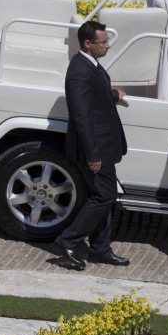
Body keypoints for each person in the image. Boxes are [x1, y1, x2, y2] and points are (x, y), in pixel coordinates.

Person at [51, 22, 130, 271]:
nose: (107, 46)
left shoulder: (90, 65)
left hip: (104, 145)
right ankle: (67, 242)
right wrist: (92, 153)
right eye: (103, 42)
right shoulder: (79, 71)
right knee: (104, 196)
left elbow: (96, 94)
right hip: (95, 148)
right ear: (88, 44)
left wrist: (114, 96)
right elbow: (82, 115)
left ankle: (100, 249)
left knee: (103, 197)